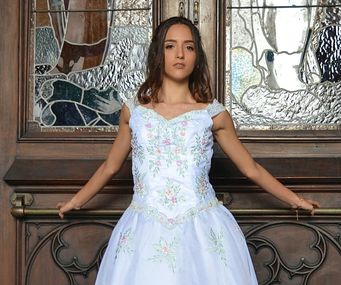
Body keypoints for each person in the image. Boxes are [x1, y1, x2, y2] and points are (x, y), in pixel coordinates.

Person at [56, 16, 320, 285]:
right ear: (159, 53)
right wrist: (76, 201)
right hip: (144, 229)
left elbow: (250, 168)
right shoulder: (134, 111)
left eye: (189, 47)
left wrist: (294, 200)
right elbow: (110, 167)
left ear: (197, 56)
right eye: (170, 46)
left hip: (202, 229)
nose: (180, 54)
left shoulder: (212, 114)